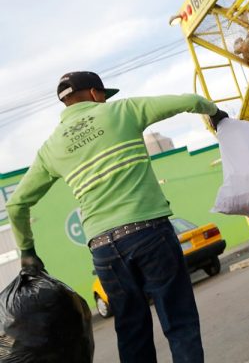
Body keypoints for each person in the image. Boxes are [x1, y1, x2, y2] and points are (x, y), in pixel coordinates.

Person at [6, 71, 228, 363]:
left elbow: (17, 204)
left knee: (132, 332)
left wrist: (28, 251)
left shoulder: (51, 148)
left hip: (103, 249)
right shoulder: (122, 111)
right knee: (179, 322)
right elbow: (186, 100)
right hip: (150, 233)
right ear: (96, 94)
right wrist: (215, 112)